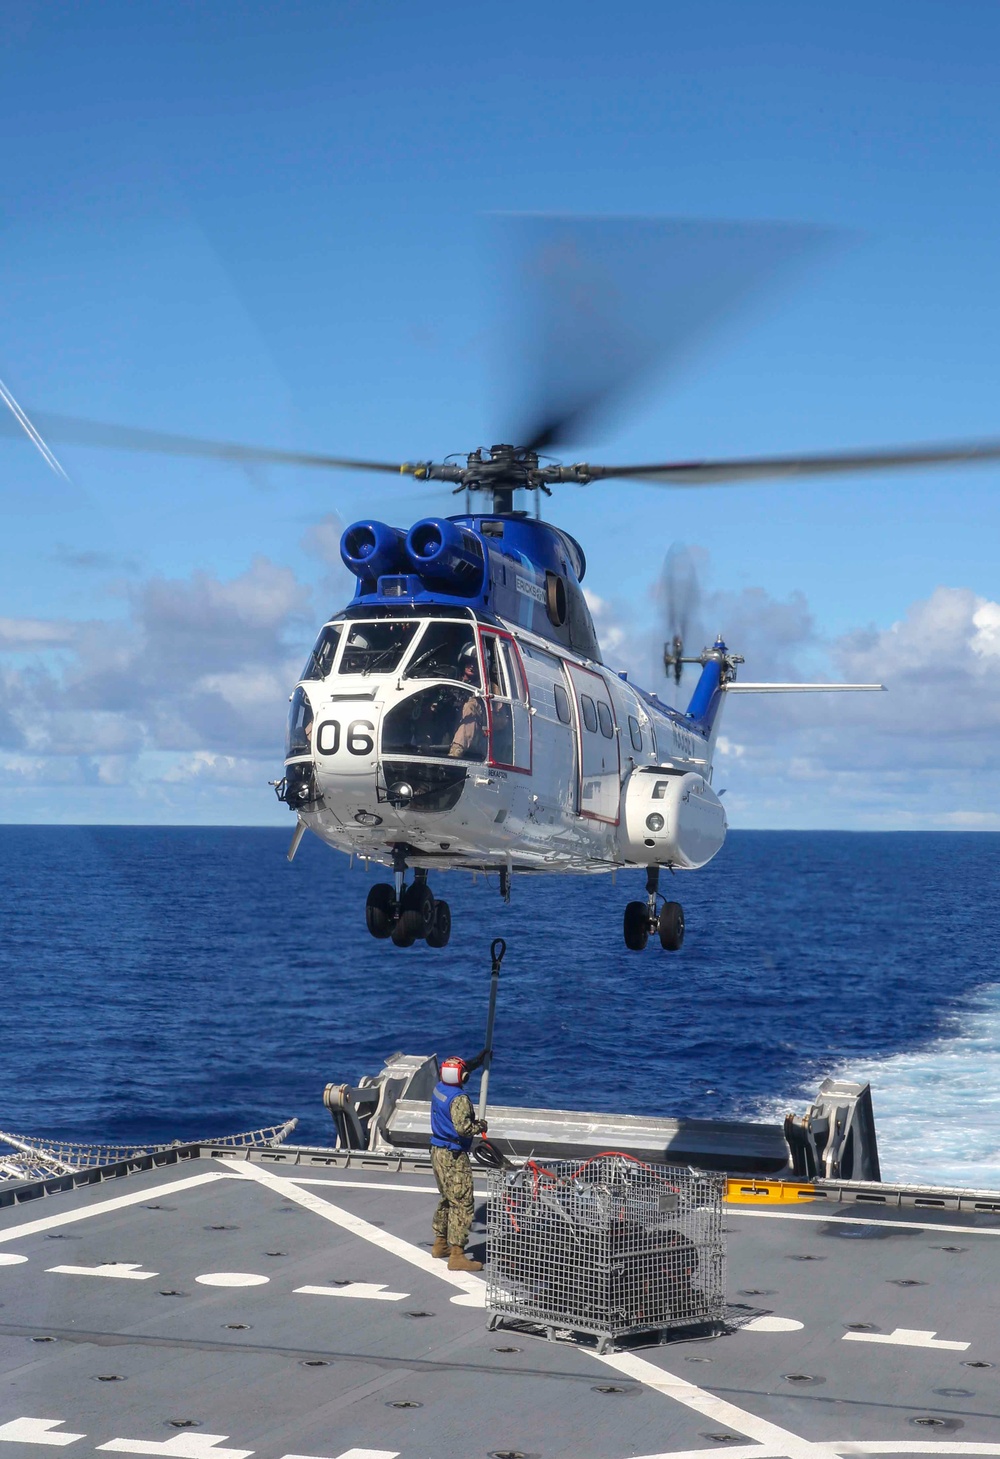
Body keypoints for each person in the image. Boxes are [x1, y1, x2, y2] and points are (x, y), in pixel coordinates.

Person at [429, 1049, 490, 1271]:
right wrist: (480, 1126)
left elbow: (459, 1072)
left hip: (437, 1151)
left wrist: (478, 1060)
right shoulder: (460, 1098)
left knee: (447, 1197)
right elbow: (464, 1129)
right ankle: (457, 1255)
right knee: (463, 1202)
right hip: (454, 1155)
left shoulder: (440, 1089)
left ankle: (440, 1243)